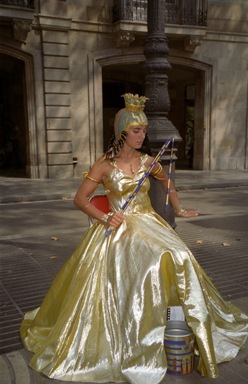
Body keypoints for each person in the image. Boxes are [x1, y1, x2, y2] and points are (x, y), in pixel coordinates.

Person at [20, 94, 248, 384]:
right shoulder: (104, 164)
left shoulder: (149, 162)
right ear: (123, 133)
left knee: (176, 254)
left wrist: (179, 208)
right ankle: (135, 333)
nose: (142, 135)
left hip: (149, 222)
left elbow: (167, 182)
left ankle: (177, 324)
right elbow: (80, 199)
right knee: (155, 260)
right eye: (136, 130)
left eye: (144, 130)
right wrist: (105, 217)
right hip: (118, 227)